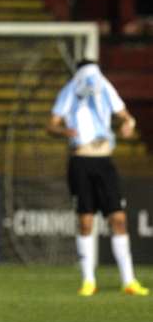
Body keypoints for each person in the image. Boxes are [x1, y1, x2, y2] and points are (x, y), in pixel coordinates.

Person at [47, 59, 149, 297]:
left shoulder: (105, 87)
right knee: (86, 221)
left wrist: (128, 125)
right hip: (80, 160)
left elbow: (126, 117)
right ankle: (88, 280)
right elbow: (51, 125)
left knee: (118, 219)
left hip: (104, 160)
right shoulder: (69, 91)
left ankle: (129, 280)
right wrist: (64, 131)